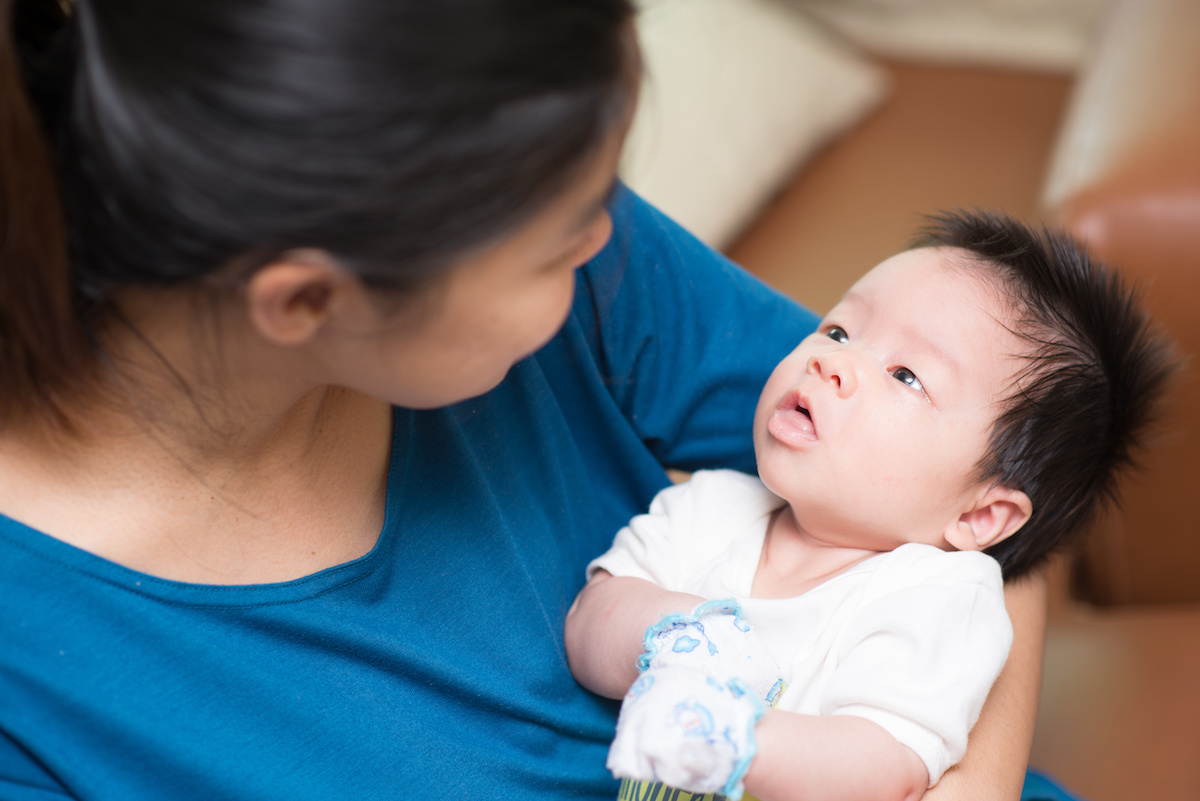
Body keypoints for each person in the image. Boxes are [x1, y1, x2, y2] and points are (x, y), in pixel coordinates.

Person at [0, 0, 1065, 799]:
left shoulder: (576, 244)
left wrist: (930, 774)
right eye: (560, 240)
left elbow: (1000, 459)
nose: (609, 237)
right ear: (309, 298)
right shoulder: (36, 681)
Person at [565, 212, 1175, 801]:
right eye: (838, 331)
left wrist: (739, 740)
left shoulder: (940, 597)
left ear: (977, 516)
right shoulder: (709, 505)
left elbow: (882, 770)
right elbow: (592, 620)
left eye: (906, 375)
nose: (831, 363)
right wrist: (670, 631)